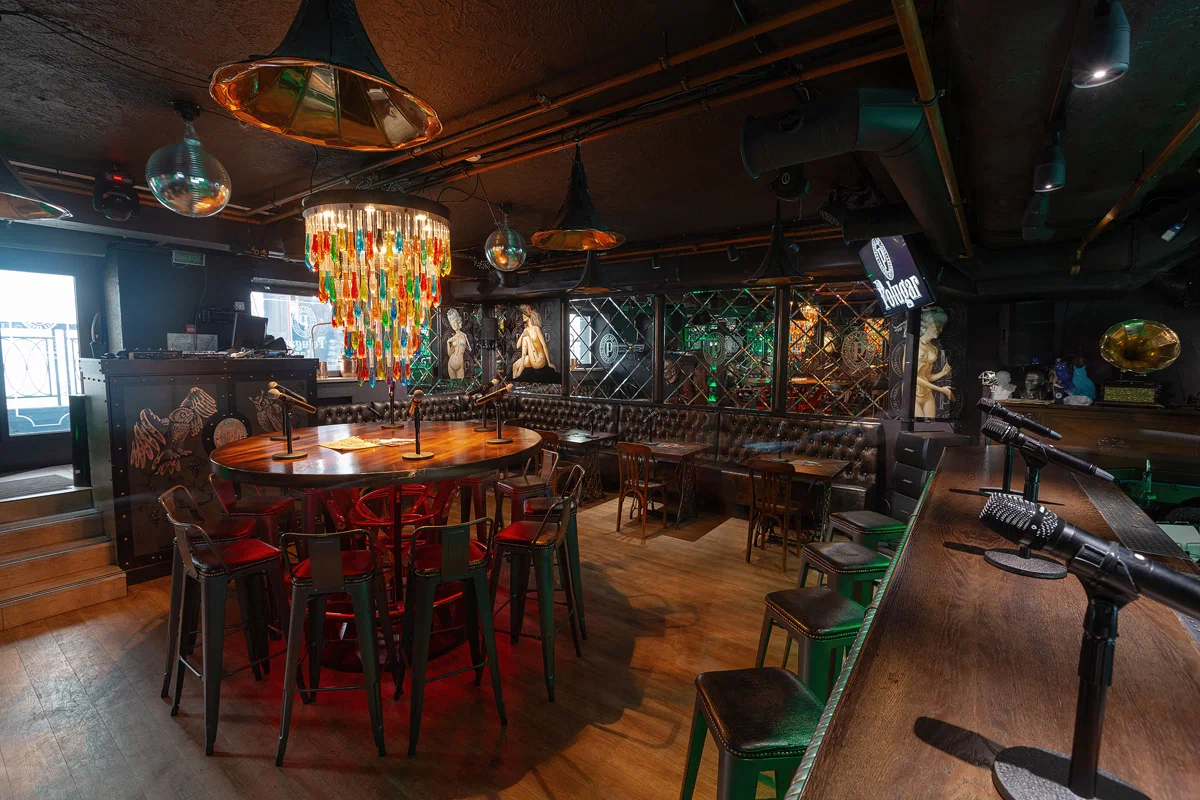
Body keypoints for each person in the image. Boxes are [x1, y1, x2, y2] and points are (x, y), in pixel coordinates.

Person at [914, 306, 954, 418]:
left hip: (927, 393)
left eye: (941, 327)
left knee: (930, 424)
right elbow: (913, 378)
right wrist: (941, 390)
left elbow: (926, 376)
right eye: (937, 326)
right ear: (927, 325)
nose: (940, 330)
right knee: (918, 425)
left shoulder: (933, 349)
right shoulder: (913, 346)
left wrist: (942, 373)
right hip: (913, 394)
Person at [512, 305, 555, 379]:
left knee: (526, 338)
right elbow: (517, 346)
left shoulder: (536, 329)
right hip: (532, 358)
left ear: (529, 315)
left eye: (524, 314)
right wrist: (523, 334)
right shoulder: (526, 330)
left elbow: (544, 345)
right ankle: (514, 382)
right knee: (514, 366)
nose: (522, 316)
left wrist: (549, 362)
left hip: (539, 359)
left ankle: (521, 367)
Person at [445, 308, 469, 380]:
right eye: (452, 324)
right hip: (451, 363)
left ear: (458, 322)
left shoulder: (464, 336)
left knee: (461, 384)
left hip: (460, 363)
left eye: (454, 322)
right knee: (453, 385)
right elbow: (450, 354)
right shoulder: (452, 338)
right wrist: (448, 343)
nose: (454, 325)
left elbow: (468, 349)